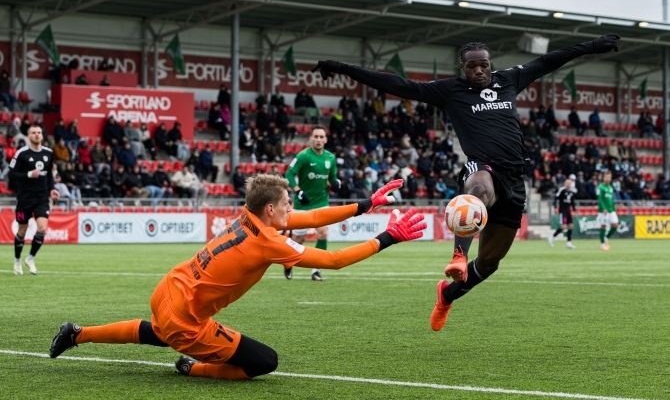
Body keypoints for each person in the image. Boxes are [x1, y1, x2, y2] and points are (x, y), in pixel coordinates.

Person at [311, 32, 620, 331]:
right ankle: (458, 256)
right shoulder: (452, 90)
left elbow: (549, 61)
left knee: (488, 264)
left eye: (483, 64)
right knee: (479, 188)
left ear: (490, 63)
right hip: (482, 167)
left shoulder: (509, 80)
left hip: (514, 181)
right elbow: (400, 85)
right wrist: (343, 68)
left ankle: (446, 296)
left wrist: (591, 46)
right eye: (472, 65)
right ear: (463, 67)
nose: (478, 70)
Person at [48, 176, 423, 380]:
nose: (293, 208)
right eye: (288, 203)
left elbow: (311, 217)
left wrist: (367, 204)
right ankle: (193, 367)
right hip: (186, 318)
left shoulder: (252, 214)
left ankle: (77, 333)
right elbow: (335, 260)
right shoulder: (269, 241)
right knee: (264, 362)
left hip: (169, 287)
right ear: (272, 209)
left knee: (159, 331)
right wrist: (389, 237)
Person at [283, 126, 341, 282]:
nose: (319, 139)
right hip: (303, 204)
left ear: (326, 139)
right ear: (310, 139)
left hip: (322, 202)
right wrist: (297, 190)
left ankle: (316, 270)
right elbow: (289, 173)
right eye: (316, 136)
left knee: (323, 232)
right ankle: (288, 262)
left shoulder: (331, 158)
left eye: (322, 137)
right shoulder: (303, 156)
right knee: (298, 240)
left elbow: (333, 177)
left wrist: (336, 183)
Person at [8, 124, 60, 275]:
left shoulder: (49, 153)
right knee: (22, 231)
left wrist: (52, 188)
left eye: (39, 132)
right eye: (33, 133)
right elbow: (11, 175)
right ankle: (17, 261)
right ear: (28, 136)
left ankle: (30, 258)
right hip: (24, 198)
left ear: (42, 136)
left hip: (41, 197)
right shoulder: (21, 153)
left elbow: (49, 175)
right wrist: (29, 175)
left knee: (42, 229)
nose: (37, 135)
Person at [549, 175, 577, 249]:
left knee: (570, 226)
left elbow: (573, 203)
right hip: (562, 212)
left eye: (570, 183)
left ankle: (569, 243)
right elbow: (556, 198)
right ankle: (552, 237)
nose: (568, 184)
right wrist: (555, 207)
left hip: (568, 212)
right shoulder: (562, 190)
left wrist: (575, 211)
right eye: (567, 183)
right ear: (565, 183)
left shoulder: (571, 192)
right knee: (563, 226)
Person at [597, 171, 619, 251]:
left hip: (611, 210)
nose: (608, 179)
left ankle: (606, 238)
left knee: (615, 225)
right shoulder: (600, 187)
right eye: (606, 177)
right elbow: (600, 199)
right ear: (603, 178)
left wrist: (614, 208)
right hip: (603, 211)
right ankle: (602, 244)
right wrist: (603, 208)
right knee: (603, 226)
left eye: (609, 177)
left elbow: (611, 199)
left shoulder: (610, 187)